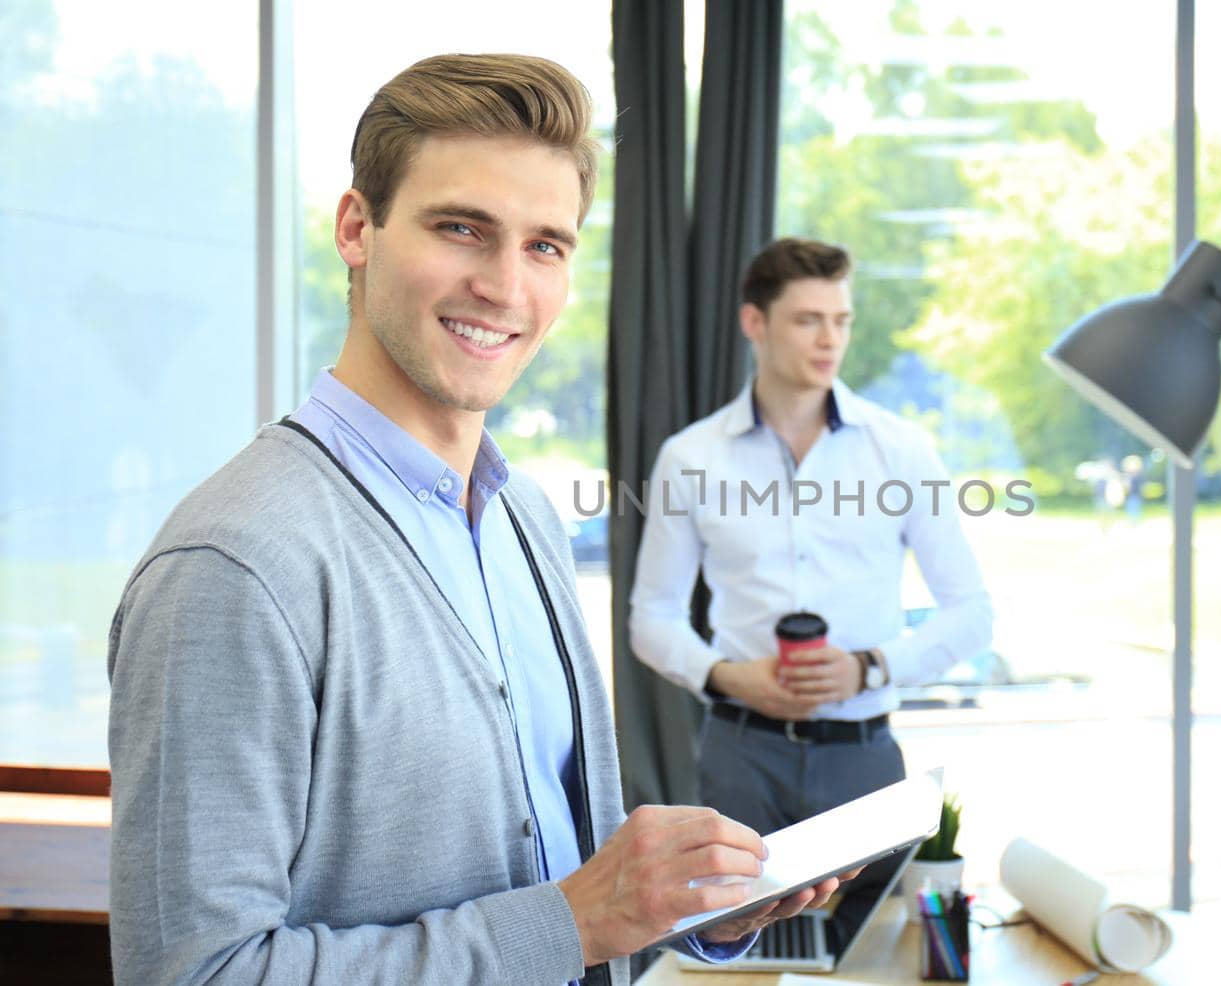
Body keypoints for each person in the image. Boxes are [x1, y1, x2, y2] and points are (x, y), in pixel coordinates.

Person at [106, 54, 842, 986]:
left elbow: (557, 871)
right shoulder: (236, 565)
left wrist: (697, 898)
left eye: (546, 246)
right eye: (462, 229)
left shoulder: (520, 517)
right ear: (356, 228)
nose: (505, 286)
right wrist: (573, 924)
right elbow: (195, 974)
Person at [628, 238, 993, 844]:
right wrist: (724, 676)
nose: (831, 340)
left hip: (864, 756)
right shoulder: (690, 457)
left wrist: (869, 669)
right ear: (755, 323)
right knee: (743, 938)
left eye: (841, 321)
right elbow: (652, 616)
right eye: (808, 321)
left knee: (869, 940)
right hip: (740, 756)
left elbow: (973, 614)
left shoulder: (901, 450)